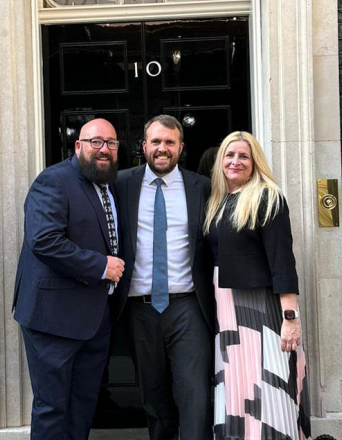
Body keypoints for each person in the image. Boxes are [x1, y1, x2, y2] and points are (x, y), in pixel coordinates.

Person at [12, 118, 126, 440]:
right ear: (78, 146)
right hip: (53, 319)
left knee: (82, 406)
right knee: (52, 408)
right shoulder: (54, 180)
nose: (104, 149)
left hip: (94, 320)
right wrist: (101, 266)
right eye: (96, 142)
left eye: (111, 143)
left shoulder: (106, 185)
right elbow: (44, 240)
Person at [112, 115, 213, 440]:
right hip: (138, 309)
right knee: (153, 399)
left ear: (181, 148)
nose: (162, 149)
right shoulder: (120, 184)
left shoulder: (203, 187)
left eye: (170, 142)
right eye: (155, 142)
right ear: (144, 146)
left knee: (194, 395)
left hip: (188, 307)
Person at [205, 131, 311, 440]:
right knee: (239, 387)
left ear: (255, 163)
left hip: (261, 311)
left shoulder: (267, 196)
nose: (235, 161)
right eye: (229, 155)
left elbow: (282, 261)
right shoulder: (219, 201)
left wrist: (290, 319)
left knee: (269, 386)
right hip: (227, 311)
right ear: (220, 161)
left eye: (243, 156)